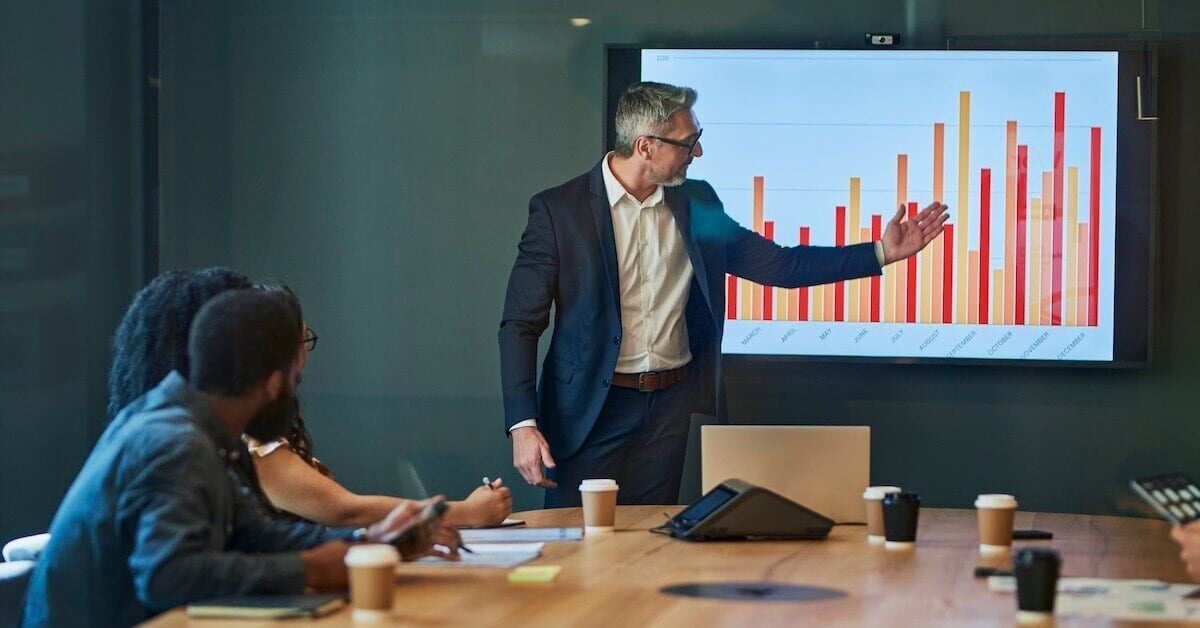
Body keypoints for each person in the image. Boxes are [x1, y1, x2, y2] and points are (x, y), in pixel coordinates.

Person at [499, 81, 948, 507]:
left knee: (649, 552)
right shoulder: (559, 212)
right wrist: (524, 424)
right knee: (580, 548)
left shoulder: (697, 204)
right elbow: (521, 324)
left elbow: (781, 266)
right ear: (646, 146)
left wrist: (880, 253)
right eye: (687, 141)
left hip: (667, 410)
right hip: (589, 413)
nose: (698, 150)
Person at [23, 290, 458, 627]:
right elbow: (167, 576)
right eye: (294, 375)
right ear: (273, 383)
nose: (297, 387)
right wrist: (305, 568)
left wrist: (369, 544)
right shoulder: (175, 443)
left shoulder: (200, 429)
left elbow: (257, 536)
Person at [106, 270, 510, 528]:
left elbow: (265, 544)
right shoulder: (173, 443)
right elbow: (343, 511)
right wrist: (461, 515)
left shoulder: (218, 444)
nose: (296, 366)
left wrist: (364, 551)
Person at [249, 282, 512, 527]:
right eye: (304, 340)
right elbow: (346, 511)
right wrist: (465, 512)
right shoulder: (257, 448)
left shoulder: (261, 435)